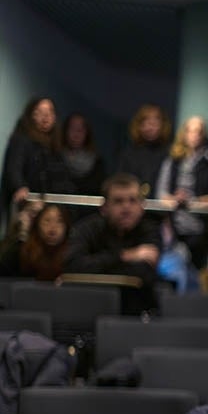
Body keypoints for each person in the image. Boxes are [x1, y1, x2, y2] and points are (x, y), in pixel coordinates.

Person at [63, 173, 161, 314]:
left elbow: (143, 274)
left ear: (141, 206)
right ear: (104, 208)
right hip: (88, 306)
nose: (126, 208)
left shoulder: (150, 230)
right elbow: (73, 265)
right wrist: (125, 256)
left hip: (136, 310)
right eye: (118, 201)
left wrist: (97, 267)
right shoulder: (87, 228)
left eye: (132, 201)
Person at [156, 115, 208, 270]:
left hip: (200, 229)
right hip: (173, 228)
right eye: (190, 130)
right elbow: (161, 193)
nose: (194, 135)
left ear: (204, 134)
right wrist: (176, 200)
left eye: (199, 131)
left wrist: (191, 202)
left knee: (197, 271)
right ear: (184, 133)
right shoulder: (173, 159)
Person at [2, 96, 70, 212]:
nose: (46, 116)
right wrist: (20, 187)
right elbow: (14, 168)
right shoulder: (21, 140)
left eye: (50, 112)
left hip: (51, 206)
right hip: (27, 203)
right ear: (31, 116)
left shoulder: (57, 145)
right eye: (40, 112)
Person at [0, 203, 70, 280]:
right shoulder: (21, 251)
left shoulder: (73, 255)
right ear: (37, 224)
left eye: (59, 221)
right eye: (47, 221)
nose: (52, 228)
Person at [115, 104, 172, 195]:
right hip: (132, 203)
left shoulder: (171, 153)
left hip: (162, 205)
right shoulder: (128, 154)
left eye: (155, 121)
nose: (151, 125)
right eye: (146, 121)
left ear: (163, 125)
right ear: (139, 125)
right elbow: (120, 182)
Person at [59, 112, 107, 199]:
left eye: (80, 130)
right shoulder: (56, 158)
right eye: (72, 129)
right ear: (65, 131)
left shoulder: (97, 161)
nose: (76, 134)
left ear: (87, 133)